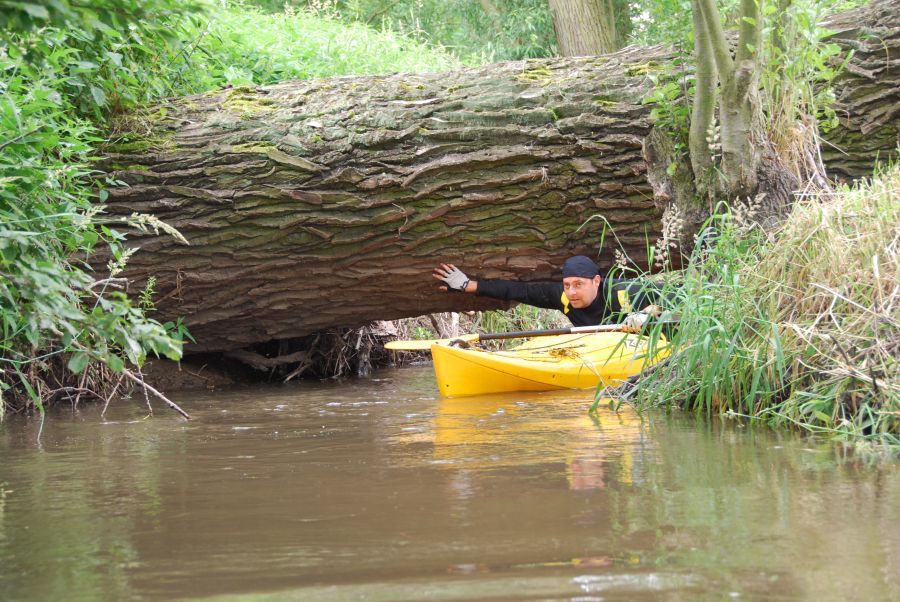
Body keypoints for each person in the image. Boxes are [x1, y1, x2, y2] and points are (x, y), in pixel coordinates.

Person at [433, 255, 663, 329]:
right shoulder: (562, 297)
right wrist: (468, 285)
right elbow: (520, 291)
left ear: (596, 281)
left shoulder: (623, 292)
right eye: (567, 284)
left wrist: (648, 313)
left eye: (578, 285)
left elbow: (681, 296)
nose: (571, 292)